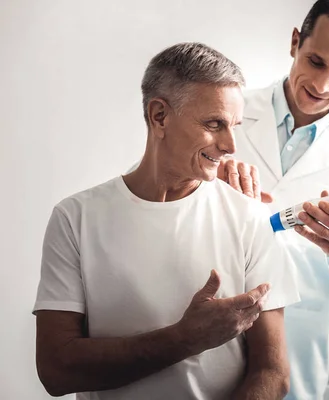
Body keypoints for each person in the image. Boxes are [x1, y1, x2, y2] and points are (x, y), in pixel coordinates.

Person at [33, 42, 300, 400]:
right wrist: (185, 339)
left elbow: (272, 372)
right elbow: (56, 371)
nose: (231, 145)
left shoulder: (249, 218)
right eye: (214, 124)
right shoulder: (75, 219)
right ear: (159, 116)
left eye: (234, 125)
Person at [219, 0, 329, 398]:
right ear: (295, 43)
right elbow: (161, 196)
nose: (321, 86)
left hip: (297, 349)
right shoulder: (224, 114)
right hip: (209, 334)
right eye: (315, 61)